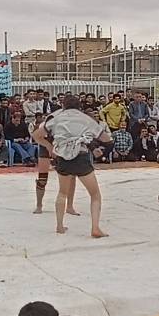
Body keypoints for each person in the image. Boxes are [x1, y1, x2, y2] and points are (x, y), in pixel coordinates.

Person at [35, 95, 110, 238]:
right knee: (95, 195)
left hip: (63, 157)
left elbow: (37, 135)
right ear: (79, 106)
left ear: (63, 106)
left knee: (62, 192)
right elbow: (105, 137)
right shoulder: (85, 119)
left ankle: (59, 226)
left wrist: (50, 146)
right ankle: (95, 227)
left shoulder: (56, 118)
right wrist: (95, 142)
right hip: (80, 157)